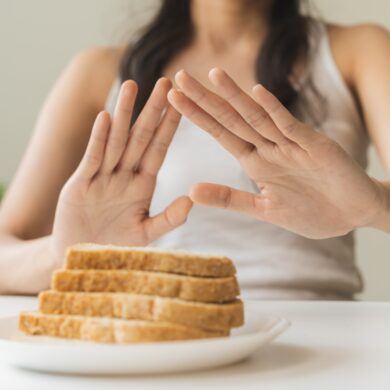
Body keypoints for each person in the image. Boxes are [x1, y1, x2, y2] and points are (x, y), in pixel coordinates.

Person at [1, 0, 390, 299]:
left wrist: (376, 206)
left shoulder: (358, 50)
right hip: (158, 340)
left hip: (328, 346)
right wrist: (62, 257)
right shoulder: (97, 72)